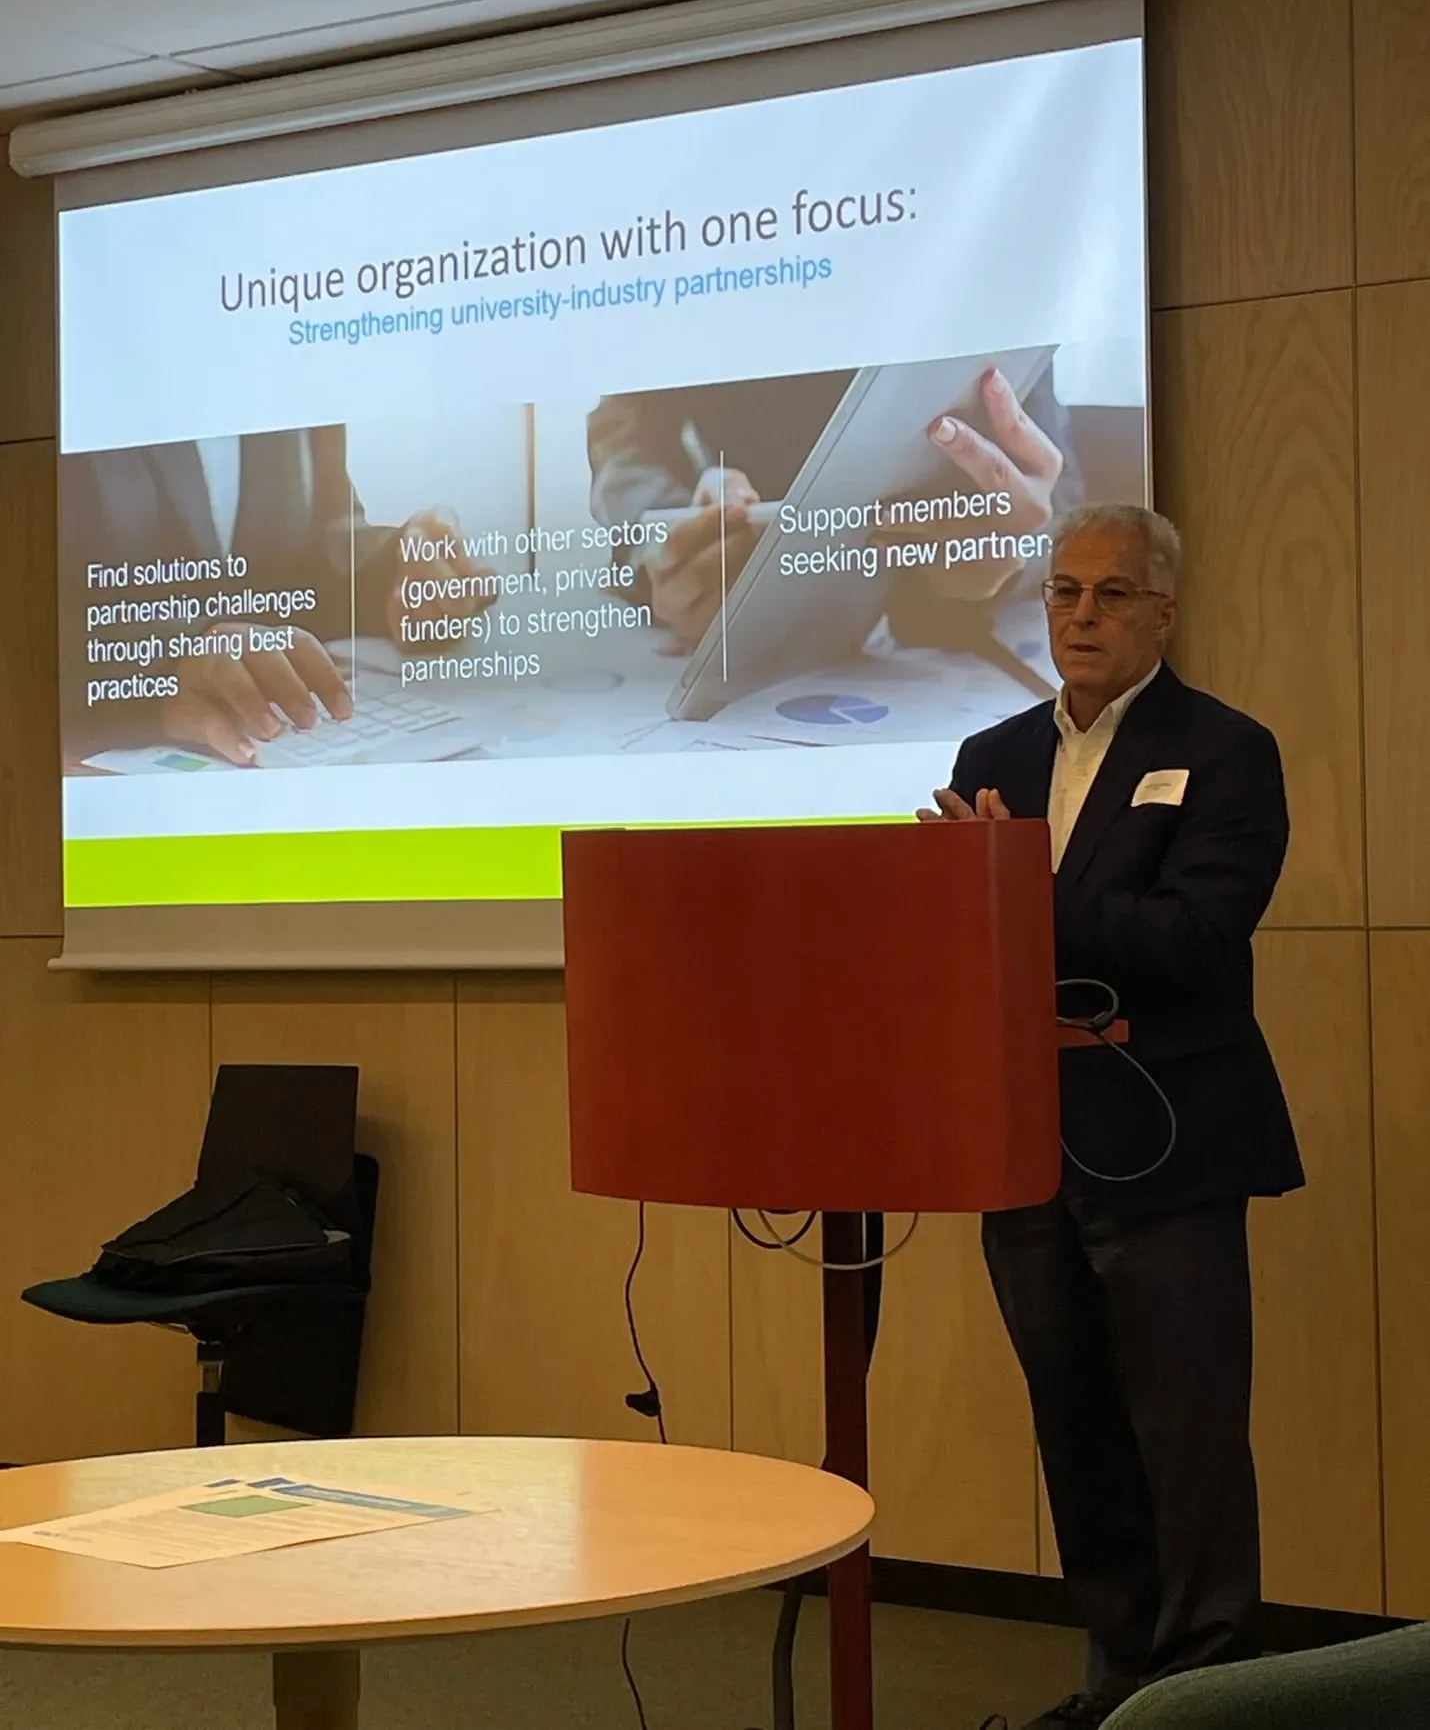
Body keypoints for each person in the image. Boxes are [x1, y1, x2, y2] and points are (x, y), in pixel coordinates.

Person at [918, 503, 1303, 1730]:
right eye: (1063, 590)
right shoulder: (991, 751)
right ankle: (1120, 1685)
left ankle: (1205, 1693)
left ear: (1161, 613)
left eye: (1111, 593)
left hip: (1169, 1134)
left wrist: (1016, 889)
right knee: (1074, 1426)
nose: (1080, 614)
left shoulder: (1225, 748)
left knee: (1185, 1438)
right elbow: (965, 951)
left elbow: (1195, 937)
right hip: (1028, 1136)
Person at [62, 425, 489, 765]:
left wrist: (398, 574)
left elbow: (317, 546)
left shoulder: (291, 362)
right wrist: (161, 663)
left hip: (261, 750)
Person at [588, 361, 1080, 655]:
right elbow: (628, 439)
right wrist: (669, 543)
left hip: (950, 632)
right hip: (749, 605)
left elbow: (1057, 493)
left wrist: (1018, 548)